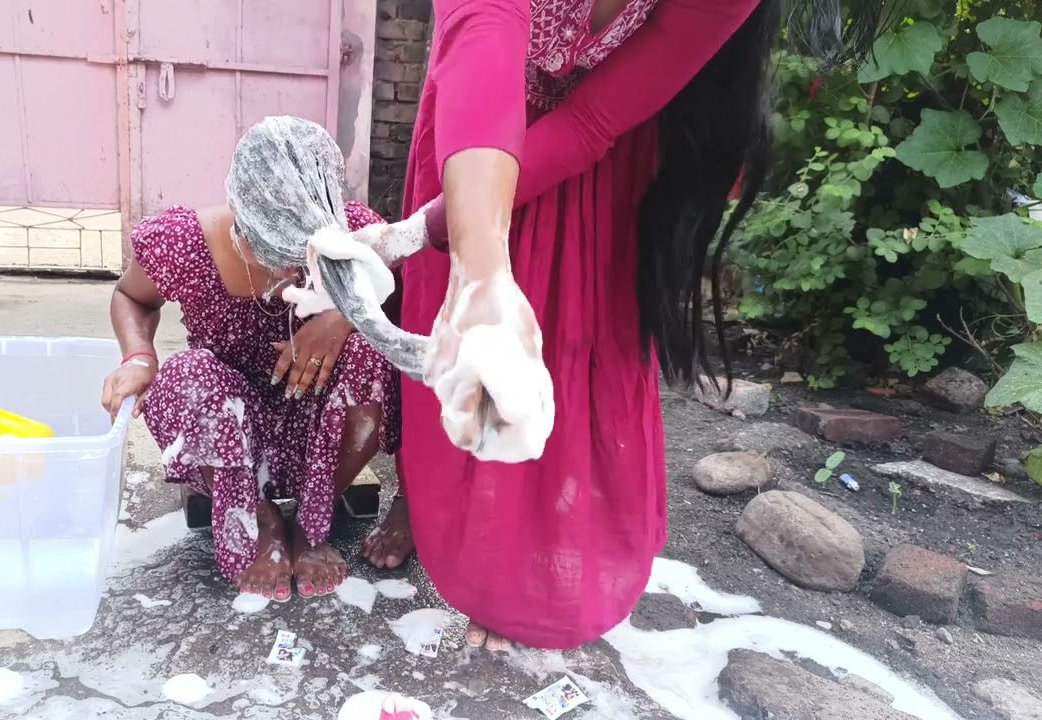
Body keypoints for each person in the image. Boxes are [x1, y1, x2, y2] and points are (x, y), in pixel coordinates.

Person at [338, 0, 889, 650]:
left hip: (598, 156)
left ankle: (532, 572)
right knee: (464, 355)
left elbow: (592, 120)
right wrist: (469, 262)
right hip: (478, 138)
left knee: (575, 361)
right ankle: (436, 517)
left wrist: (429, 232)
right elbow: (485, 35)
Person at [101, 117, 400, 602]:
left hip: (317, 431)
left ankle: (312, 521)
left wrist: (343, 316)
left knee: (375, 350)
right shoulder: (185, 243)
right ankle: (262, 518)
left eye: (304, 260)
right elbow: (131, 297)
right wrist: (138, 356)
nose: (287, 275)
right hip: (231, 434)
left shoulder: (357, 235)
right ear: (242, 217)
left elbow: (397, 295)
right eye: (271, 256)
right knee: (183, 375)